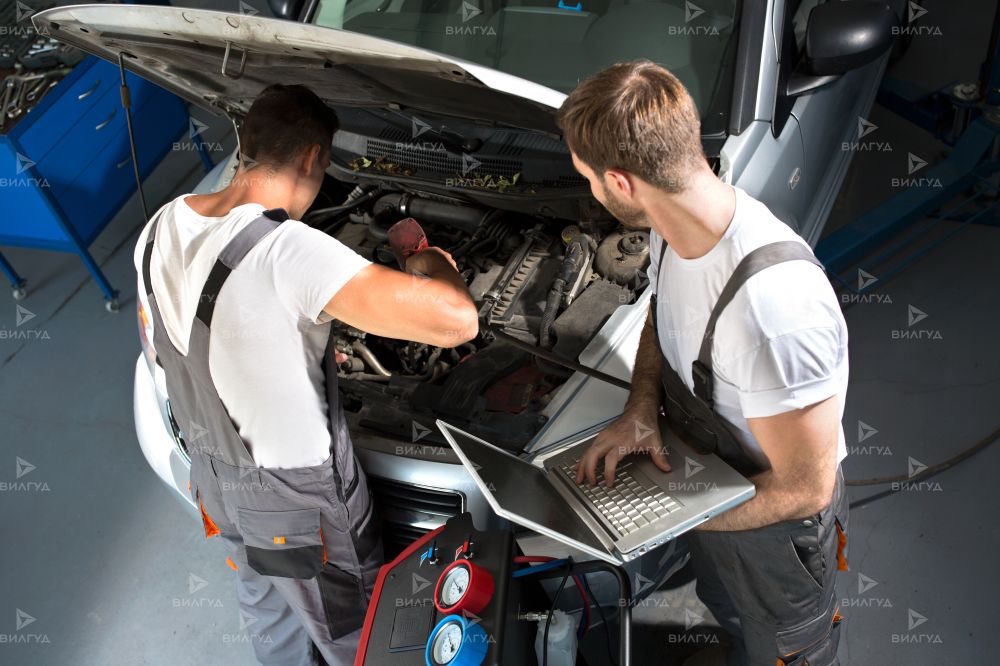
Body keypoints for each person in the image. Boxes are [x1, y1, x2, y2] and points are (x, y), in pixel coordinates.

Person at [134, 84, 479, 665]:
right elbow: (457, 322)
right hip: (299, 509)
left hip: (217, 480)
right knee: (360, 636)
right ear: (316, 159)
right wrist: (426, 258)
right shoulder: (288, 251)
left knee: (273, 616)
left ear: (245, 146)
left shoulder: (160, 226)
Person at [560, 61, 850, 665]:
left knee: (786, 649)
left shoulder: (774, 314)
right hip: (712, 492)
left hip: (775, 533)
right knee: (729, 612)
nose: (588, 190)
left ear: (620, 183)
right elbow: (664, 313)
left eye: (587, 177)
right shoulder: (675, 220)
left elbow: (805, 488)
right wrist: (641, 408)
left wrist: (658, 519)